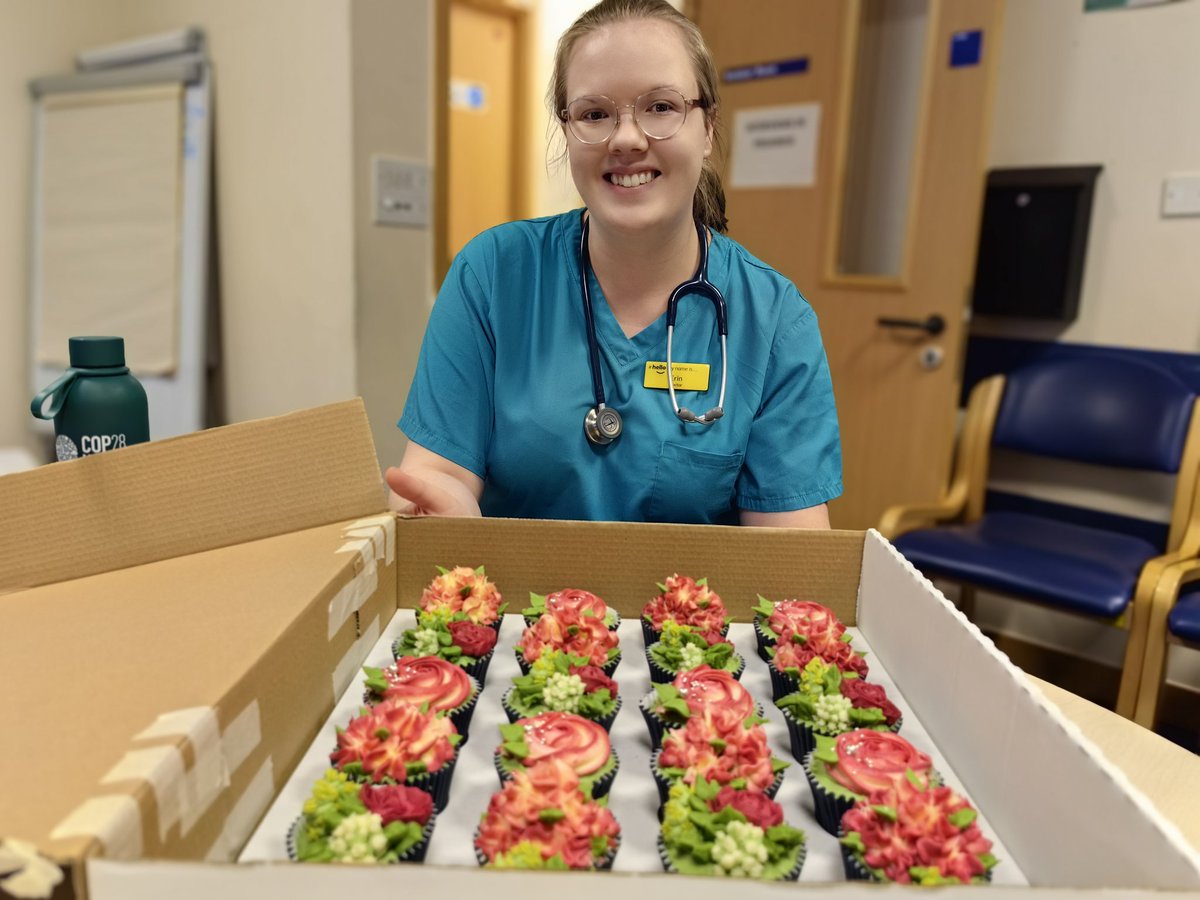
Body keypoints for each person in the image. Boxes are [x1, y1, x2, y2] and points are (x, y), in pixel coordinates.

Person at [387, 0, 841, 527]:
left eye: (661, 107)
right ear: (567, 130)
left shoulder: (774, 320)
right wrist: (441, 509)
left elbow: (788, 555)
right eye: (594, 114)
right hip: (514, 605)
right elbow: (438, 472)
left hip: (687, 610)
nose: (626, 139)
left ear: (709, 127)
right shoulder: (492, 275)